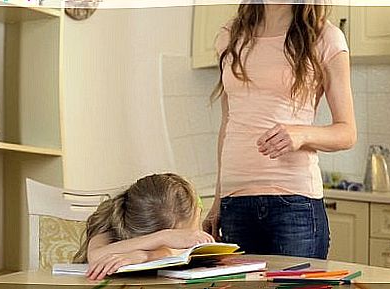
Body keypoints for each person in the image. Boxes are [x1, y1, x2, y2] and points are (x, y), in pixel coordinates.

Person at [203, 3, 356, 259]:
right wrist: (219, 199)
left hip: (295, 203)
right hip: (235, 202)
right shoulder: (230, 35)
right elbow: (228, 124)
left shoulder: (325, 37)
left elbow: (347, 132)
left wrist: (302, 134)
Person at [73, 173, 214, 280]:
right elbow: (95, 255)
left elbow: (182, 255)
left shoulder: (189, 225)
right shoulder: (111, 225)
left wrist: (146, 255)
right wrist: (163, 237)